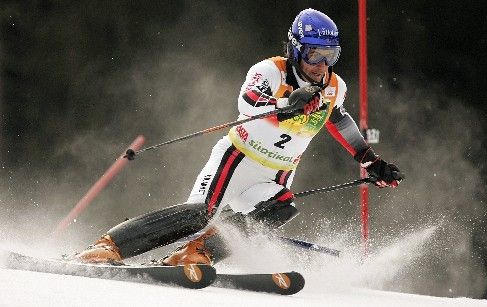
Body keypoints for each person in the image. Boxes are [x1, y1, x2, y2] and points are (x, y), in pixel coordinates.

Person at [76, 8, 403, 266]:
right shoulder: (270, 71)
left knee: (282, 206)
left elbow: (339, 120)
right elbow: (248, 104)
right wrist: (288, 104)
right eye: (313, 55)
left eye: (329, 55)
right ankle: (111, 245)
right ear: (295, 50)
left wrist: (370, 161)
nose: (321, 65)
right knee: (199, 215)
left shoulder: (335, 87)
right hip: (237, 160)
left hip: (277, 173)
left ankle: (196, 254)